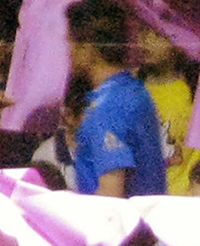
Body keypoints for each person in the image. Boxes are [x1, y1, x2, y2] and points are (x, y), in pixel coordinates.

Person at [65, 0, 167, 197]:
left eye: (70, 42)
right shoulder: (135, 92)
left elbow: (111, 197)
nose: (68, 53)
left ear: (88, 48)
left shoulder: (105, 108)